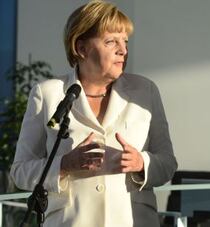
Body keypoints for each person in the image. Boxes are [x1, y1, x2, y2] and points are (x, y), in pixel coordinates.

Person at [10, 1, 177, 226]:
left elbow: (167, 163)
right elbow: (20, 171)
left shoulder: (145, 92)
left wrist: (141, 163)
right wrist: (65, 164)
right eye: (111, 42)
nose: (123, 50)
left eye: (125, 41)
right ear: (81, 48)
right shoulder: (47, 93)